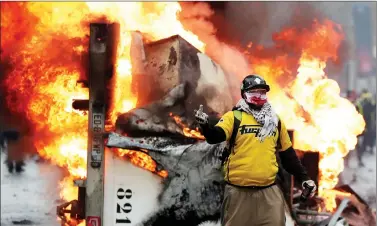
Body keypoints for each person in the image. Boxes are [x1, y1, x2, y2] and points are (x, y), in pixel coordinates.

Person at [194, 74, 316, 226]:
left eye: (262, 92)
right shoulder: (234, 118)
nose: (259, 96)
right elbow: (214, 137)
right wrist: (205, 125)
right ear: (244, 94)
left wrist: (304, 178)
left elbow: (288, 156)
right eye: (254, 92)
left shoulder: (275, 121)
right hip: (239, 194)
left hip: (268, 194)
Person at [355, 89, 376, 166]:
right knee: (360, 143)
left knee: (358, 144)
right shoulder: (366, 101)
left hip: (359, 126)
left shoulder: (359, 102)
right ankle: (360, 158)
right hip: (362, 126)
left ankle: (360, 158)